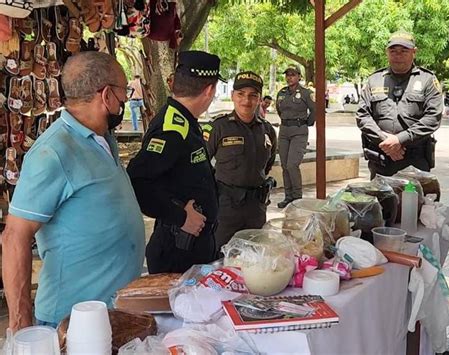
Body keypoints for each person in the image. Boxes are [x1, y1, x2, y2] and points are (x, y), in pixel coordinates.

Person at [2, 51, 145, 331]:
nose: (125, 101)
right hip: (70, 322)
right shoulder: (53, 152)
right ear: (106, 96)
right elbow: (14, 237)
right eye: (123, 93)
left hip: (111, 313)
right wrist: (21, 325)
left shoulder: (103, 138)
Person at [127, 50, 223, 273]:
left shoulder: (185, 121)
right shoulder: (172, 129)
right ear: (209, 90)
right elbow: (136, 181)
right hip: (177, 253)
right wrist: (180, 217)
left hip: (195, 248)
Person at [202, 71, 277, 251]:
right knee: (222, 256)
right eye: (241, 94)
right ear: (232, 96)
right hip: (226, 207)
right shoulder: (217, 127)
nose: (246, 101)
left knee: (255, 256)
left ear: (259, 99)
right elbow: (201, 164)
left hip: (256, 208)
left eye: (253, 95)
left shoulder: (267, 130)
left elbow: (267, 164)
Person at [356, 31, 443, 178]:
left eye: (404, 51)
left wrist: (400, 139)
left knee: (414, 200)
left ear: (414, 52)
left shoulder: (427, 80)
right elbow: (362, 115)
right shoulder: (374, 79)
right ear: (387, 52)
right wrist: (386, 141)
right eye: (393, 51)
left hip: (414, 159)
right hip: (381, 158)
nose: (398, 55)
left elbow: (433, 117)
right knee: (380, 200)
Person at [275, 65, 315, 208]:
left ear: (299, 76)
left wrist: (305, 123)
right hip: (284, 130)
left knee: (292, 165)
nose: (289, 77)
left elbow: (314, 110)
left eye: (292, 74)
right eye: (287, 75)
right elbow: (279, 110)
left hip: (299, 131)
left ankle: (297, 198)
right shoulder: (282, 93)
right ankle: (288, 197)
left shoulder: (305, 93)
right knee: (285, 165)